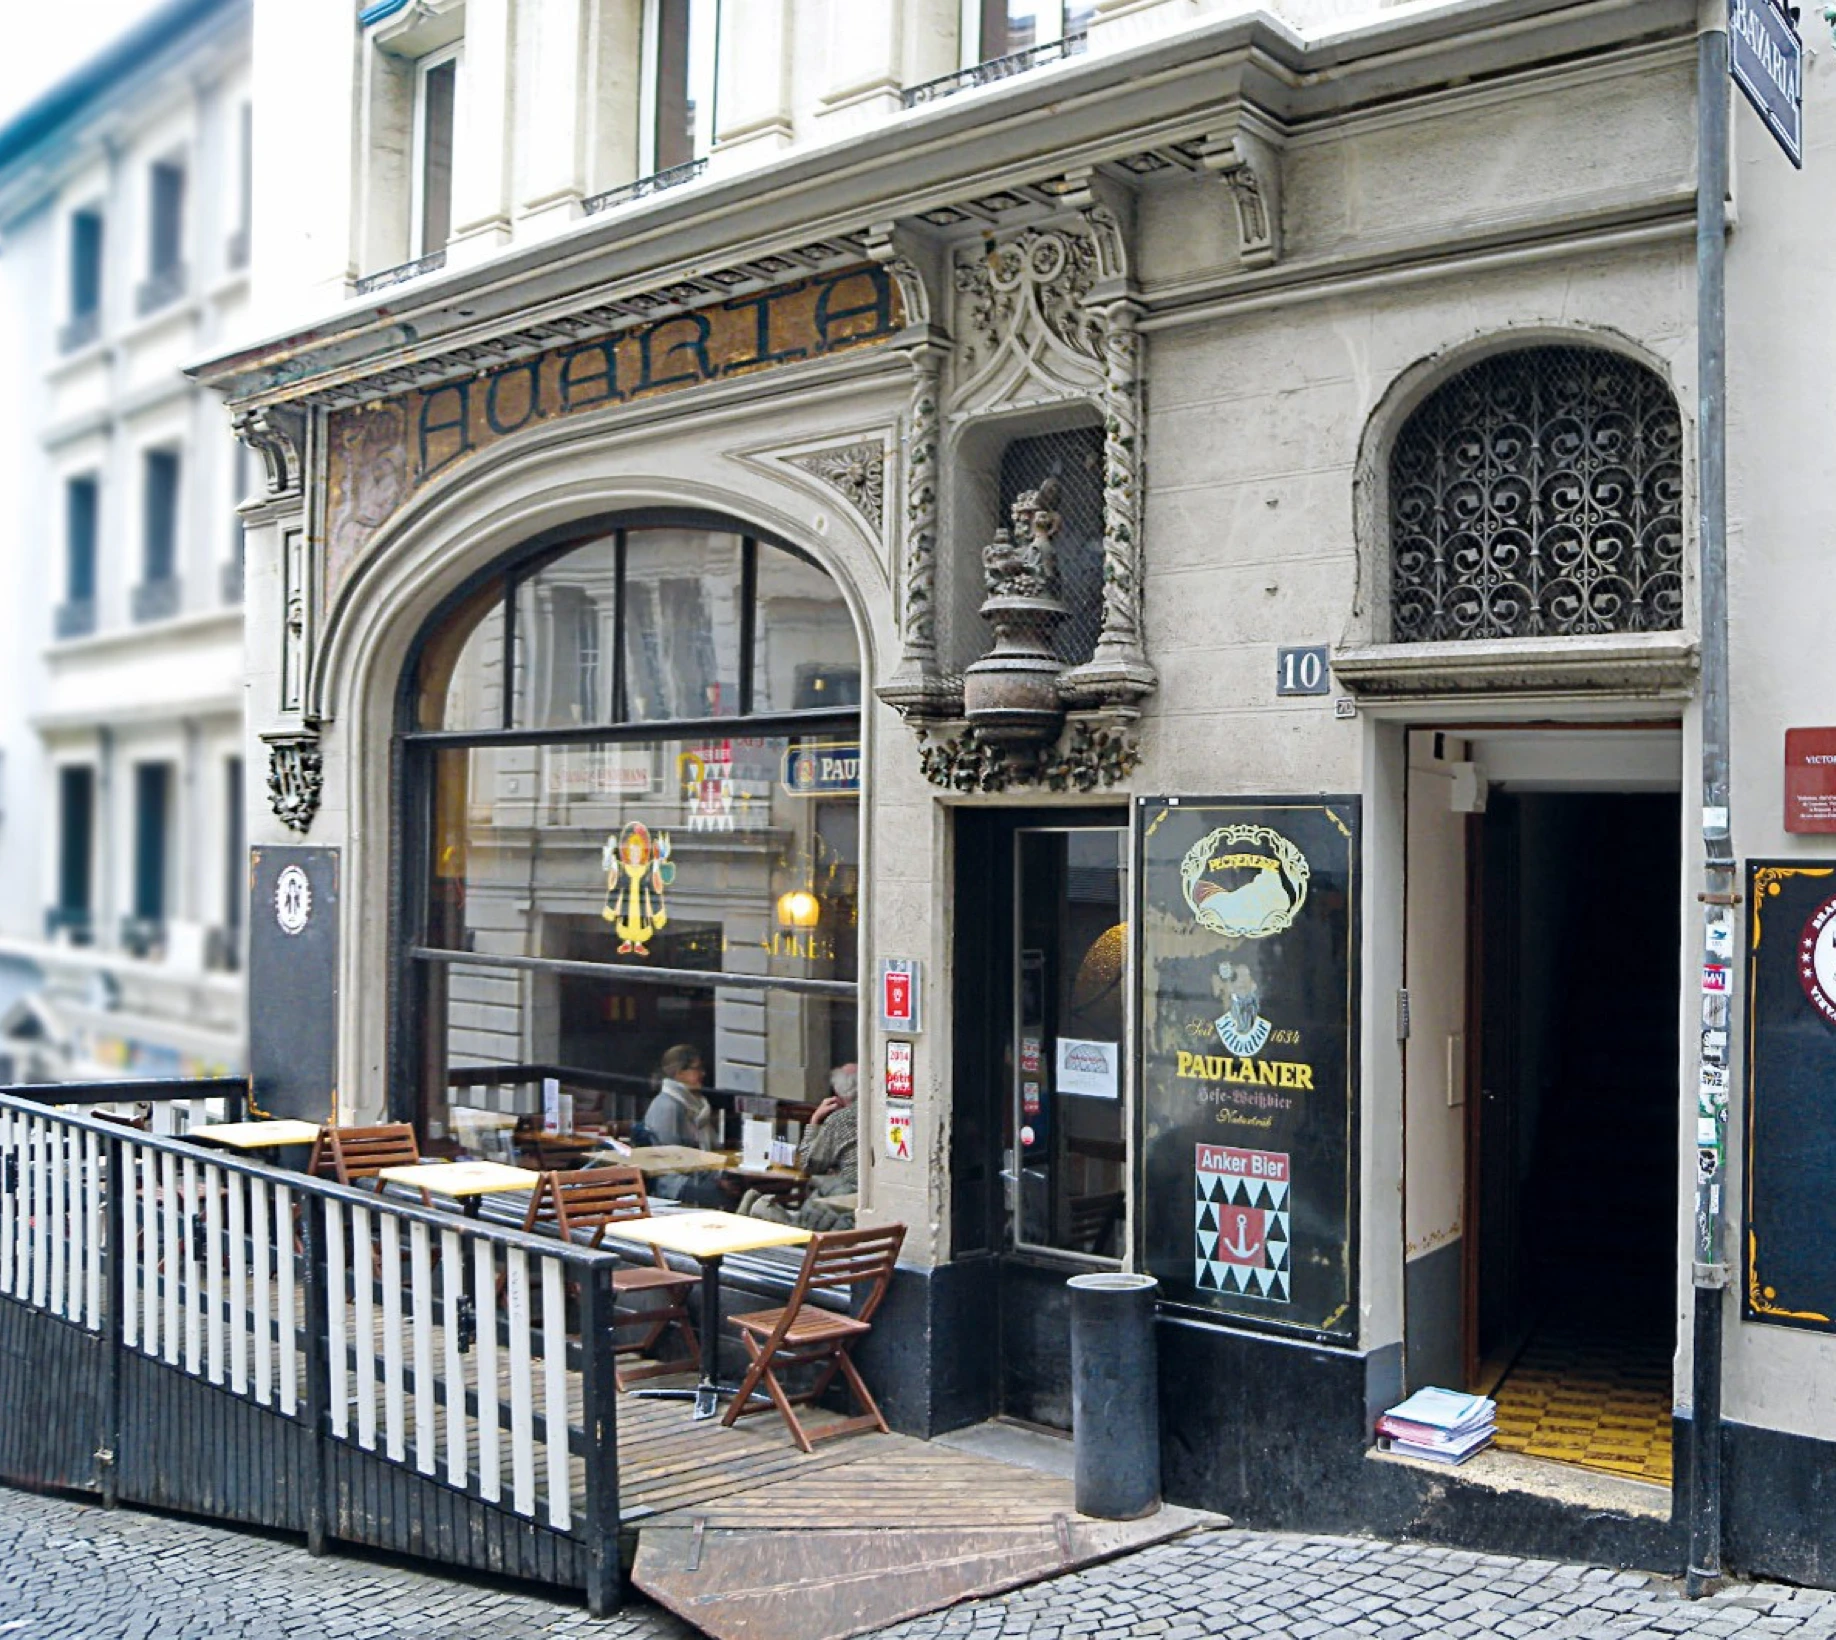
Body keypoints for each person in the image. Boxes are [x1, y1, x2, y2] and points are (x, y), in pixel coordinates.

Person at [739, 1064, 859, 1232]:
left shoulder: (842, 1120)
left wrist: (814, 1121)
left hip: (840, 1203)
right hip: (853, 1203)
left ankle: (759, 1208)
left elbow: (808, 1164)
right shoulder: (880, 1114)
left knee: (767, 1209)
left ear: (838, 1096)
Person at [642, 1044, 721, 1204]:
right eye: (697, 1069)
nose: (703, 1074)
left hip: (697, 1175)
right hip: (673, 1184)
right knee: (725, 1196)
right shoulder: (667, 1106)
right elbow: (672, 1157)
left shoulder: (694, 1104)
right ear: (679, 1073)